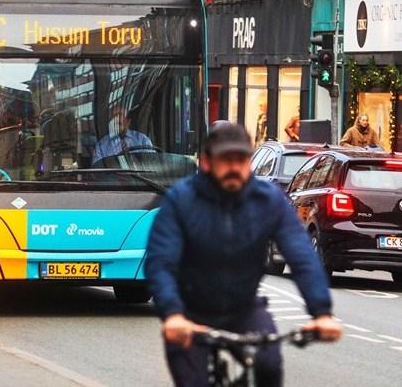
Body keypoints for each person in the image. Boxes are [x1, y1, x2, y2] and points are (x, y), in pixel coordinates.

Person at [146, 121, 342, 387]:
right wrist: (172, 314)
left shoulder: (267, 200)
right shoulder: (181, 200)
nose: (235, 168)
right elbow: (161, 262)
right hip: (189, 313)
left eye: (241, 159)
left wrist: (321, 312)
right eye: (226, 160)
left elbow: (301, 255)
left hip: (243, 309)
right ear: (205, 162)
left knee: (269, 367)